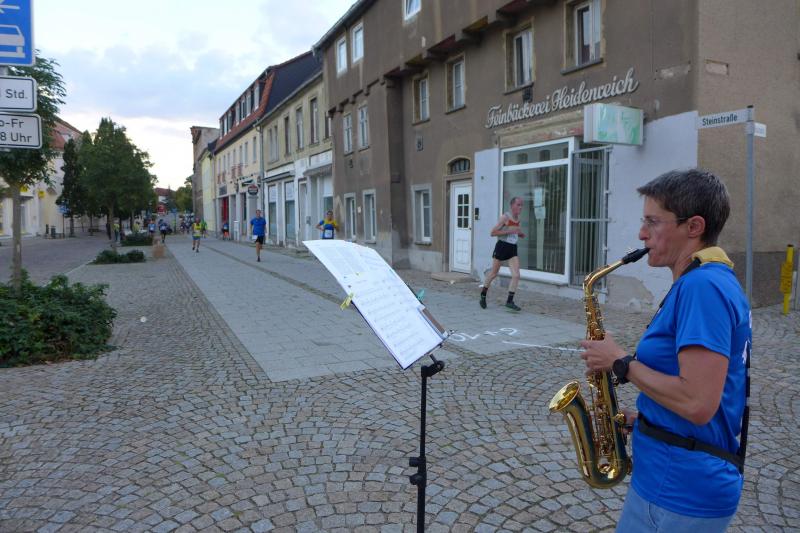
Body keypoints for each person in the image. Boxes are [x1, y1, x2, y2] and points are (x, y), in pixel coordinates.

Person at [580, 169, 750, 532]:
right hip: (666, 476)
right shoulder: (701, 282)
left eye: (653, 222)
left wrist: (620, 362)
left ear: (694, 227)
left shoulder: (703, 287)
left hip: (683, 489)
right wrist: (646, 420)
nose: (642, 234)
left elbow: (698, 402)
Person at [479, 196, 525, 311]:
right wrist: (509, 231)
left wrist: (519, 234)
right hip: (502, 247)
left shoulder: (518, 218)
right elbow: (493, 232)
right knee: (494, 274)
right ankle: (483, 295)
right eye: (518, 205)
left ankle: (509, 301)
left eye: (521, 205)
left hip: (512, 248)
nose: (520, 207)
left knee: (516, 275)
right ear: (512, 205)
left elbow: (515, 231)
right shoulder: (505, 217)